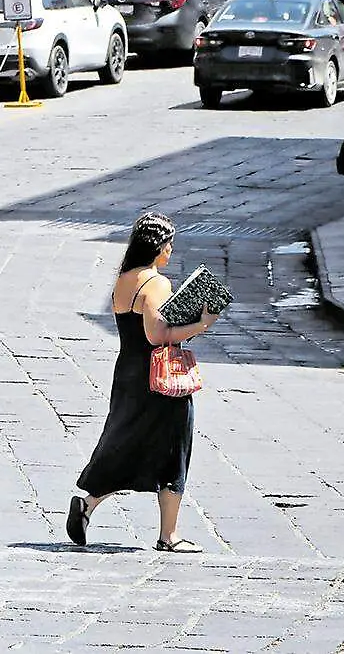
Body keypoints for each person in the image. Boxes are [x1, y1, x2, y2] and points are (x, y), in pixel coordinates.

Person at [67, 213, 220, 554]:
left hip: (129, 373)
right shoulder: (156, 283)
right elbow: (157, 335)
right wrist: (202, 324)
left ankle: (88, 504)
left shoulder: (123, 280)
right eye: (169, 244)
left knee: (127, 443)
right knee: (174, 450)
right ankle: (169, 536)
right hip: (160, 378)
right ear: (157, 246)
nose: (171, 250)